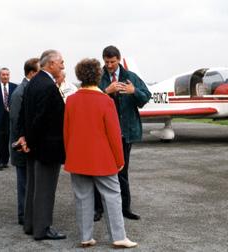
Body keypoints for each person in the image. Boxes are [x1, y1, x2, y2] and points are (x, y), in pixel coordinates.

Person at [64, 58, 137, 248]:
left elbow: (67, 132)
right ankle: (118, 236)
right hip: (103, 159)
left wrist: (68, 156)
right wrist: (119, 160)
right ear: (98, 75)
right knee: (112, 196)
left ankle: (85, 236)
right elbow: (114, 134)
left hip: (78, 157)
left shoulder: (71, 100)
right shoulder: (105, 101)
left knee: (82, 198)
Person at [98, 45, 151, 220]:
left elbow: (146, 96)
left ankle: (124, 208)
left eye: (112, 62)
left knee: (122, 171)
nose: (109, 65)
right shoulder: (99, 77)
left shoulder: (131, 77)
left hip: (125, 132)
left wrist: (133, 91)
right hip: (103, 133)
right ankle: (98, 209)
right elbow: (92, 101)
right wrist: (107, 92)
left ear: (119, 60)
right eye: (106, 62)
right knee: (100, 170)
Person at [21, 49, 66, 240]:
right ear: (51, 64)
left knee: (33, 187)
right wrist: (30, 140)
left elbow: (26, 114)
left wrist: (26, 139)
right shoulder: (48, 86)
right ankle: (42, 229)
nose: (63, 66)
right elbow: (40, 119)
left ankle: (30, 225)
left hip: (34, 147)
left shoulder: (34, 82)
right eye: (61, 63)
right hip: (47, 148)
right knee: (45, 191)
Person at [9, 58, 40, 225]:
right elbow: (15, 122)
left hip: (28, 146)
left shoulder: (28, 89)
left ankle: (28, 213)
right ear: (32, 73)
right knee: (24, 183)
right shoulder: (20, 93)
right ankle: (23, 215)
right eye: (39, 71)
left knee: (29, 182)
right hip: (22, 148)